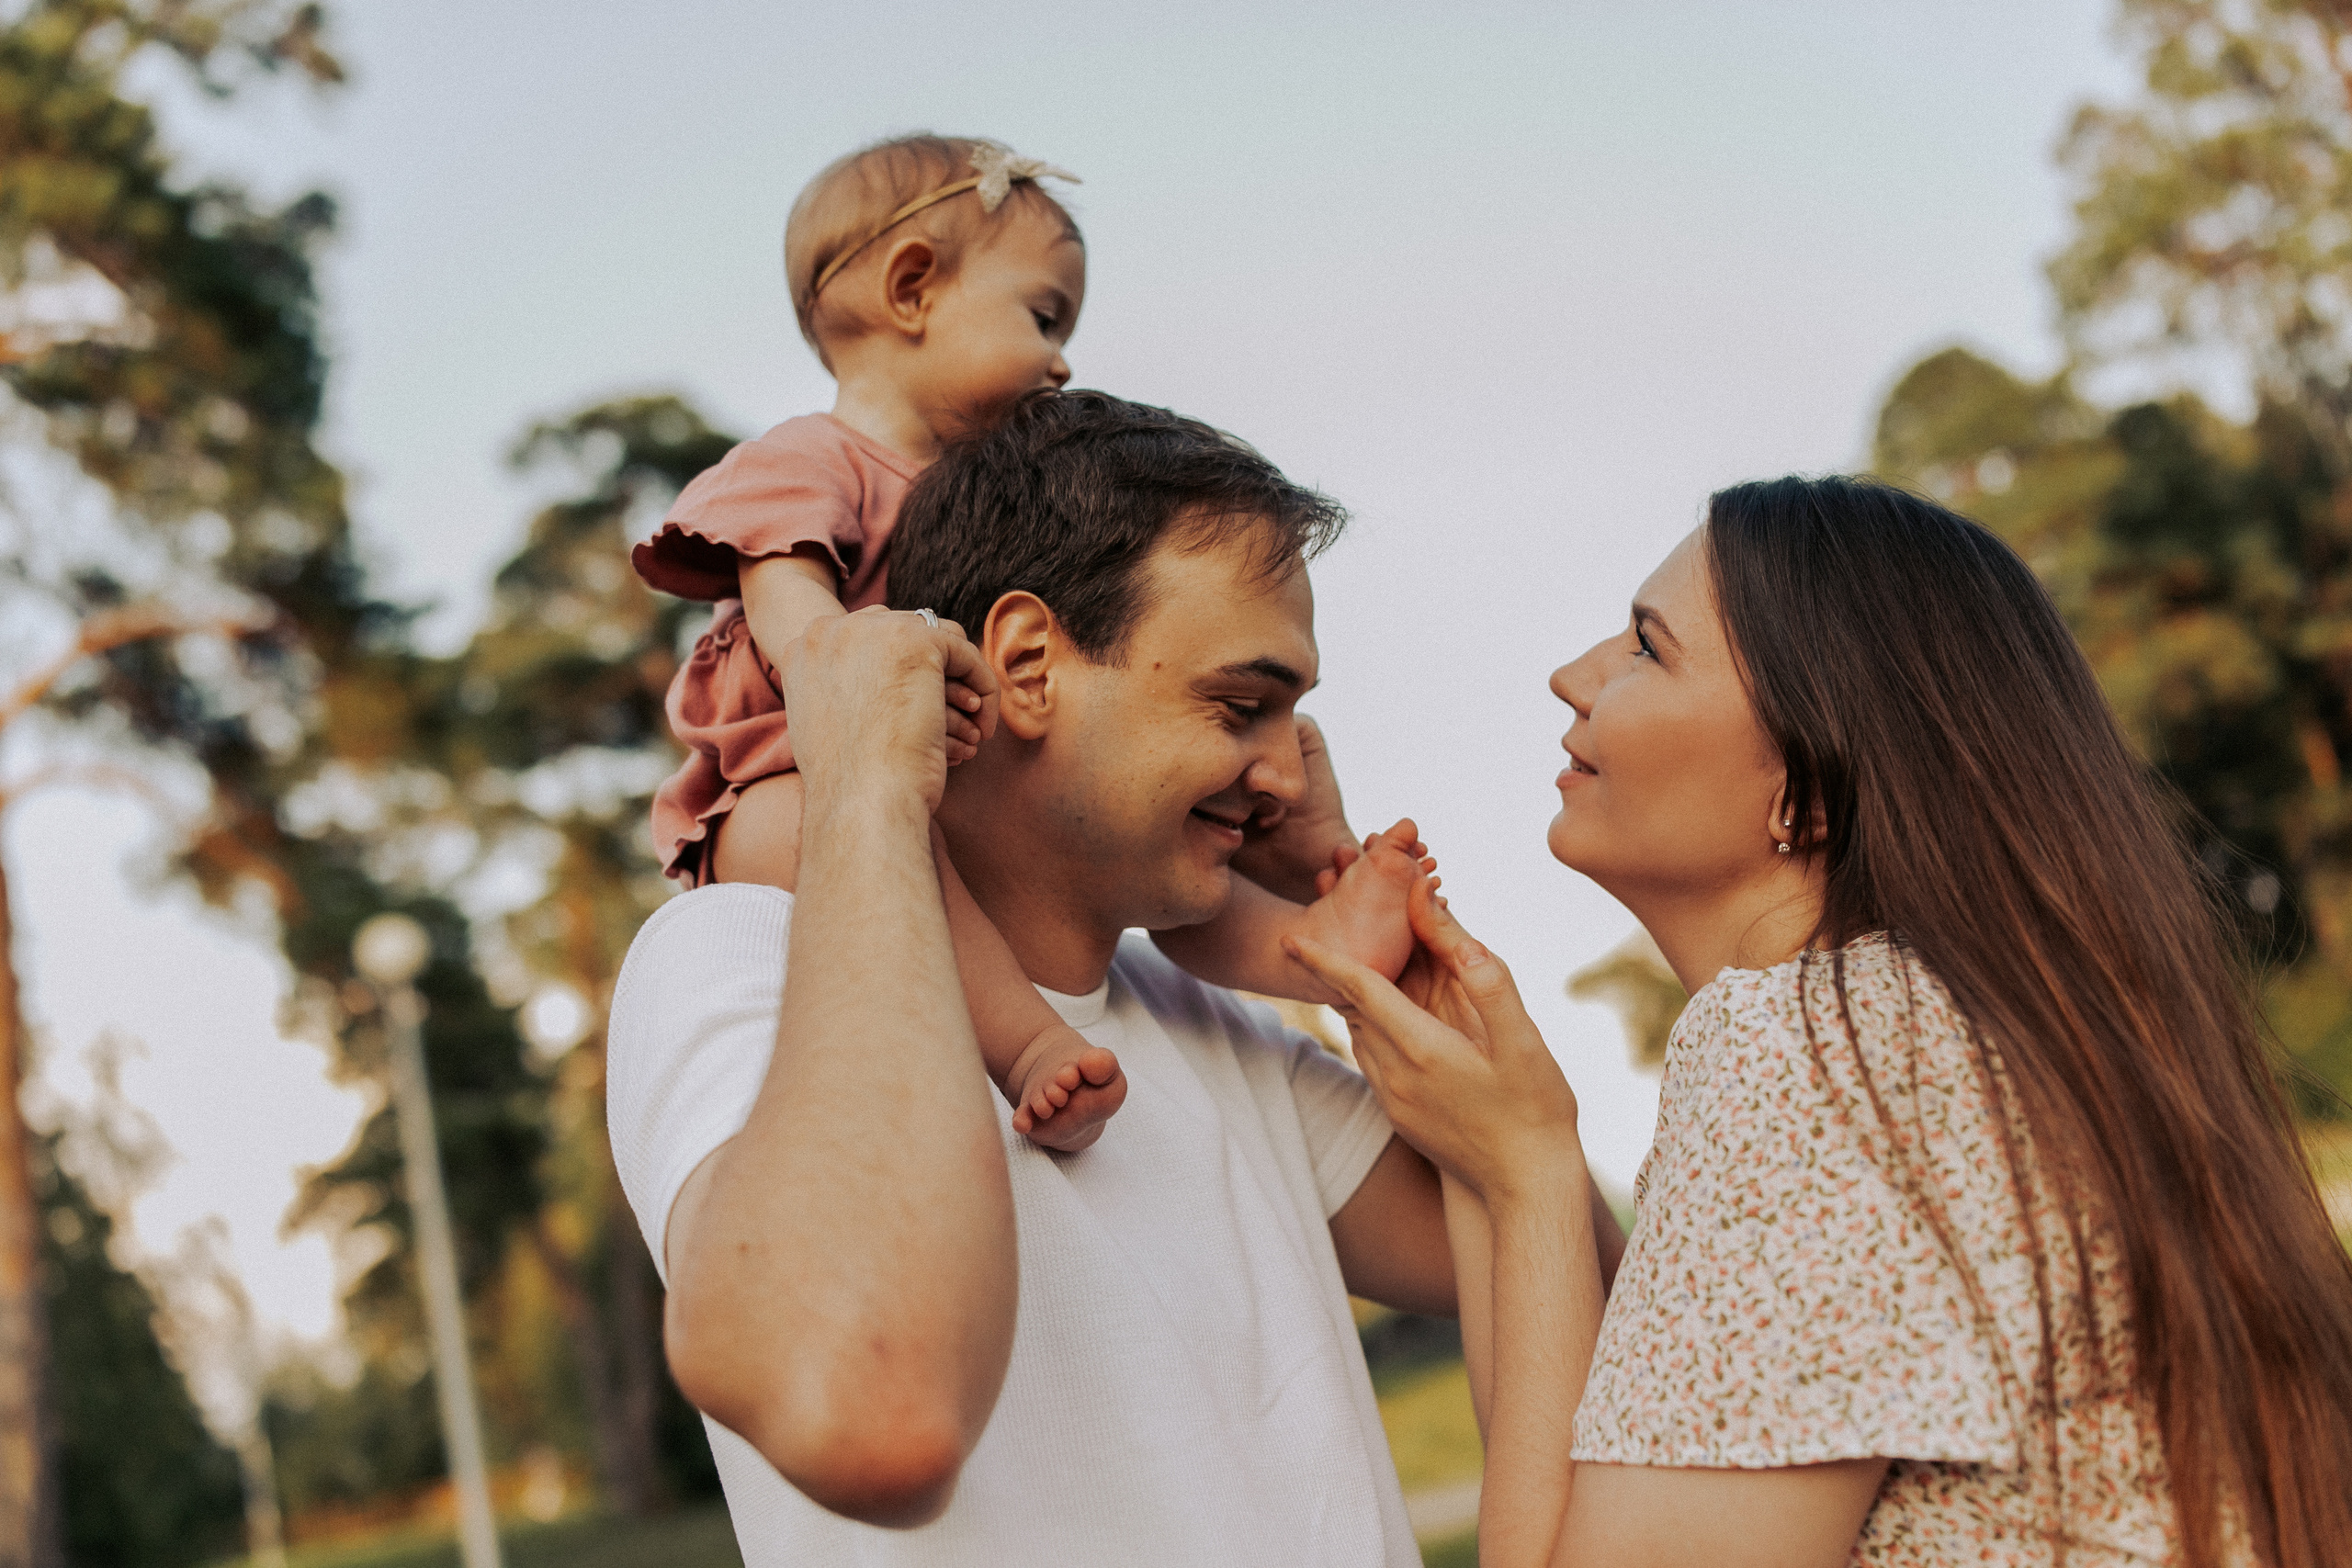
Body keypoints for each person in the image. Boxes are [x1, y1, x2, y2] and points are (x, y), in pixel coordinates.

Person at [1290, 477, 2352, 1567]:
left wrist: (1519, 1169)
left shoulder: (1819, 1053)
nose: (1572, 678)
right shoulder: (1920, 1033)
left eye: (1648, 649)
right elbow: (1610, 1435)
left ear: (1809, 787)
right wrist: (1492, 1149)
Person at [607, 390, 1533, 1565]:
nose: (1288, 782)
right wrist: (872, 788)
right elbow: (872, 1413)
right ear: (1028, 664)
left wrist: (1360, 929)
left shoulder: (1208, 1027)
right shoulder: (732, 958)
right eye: (1242, 705)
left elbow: (1549, 1242)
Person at [632, 134, 1422, 1150]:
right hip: (786, 781)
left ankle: (1311, 948)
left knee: (1157, 840)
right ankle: (1026, 1046)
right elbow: (799, 624)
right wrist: (854, 675)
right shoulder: (810, 460)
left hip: (926, 768)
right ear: (913, 288)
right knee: (901, 847)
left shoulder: (985, 500)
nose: (1060, 359)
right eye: (1042, 316)